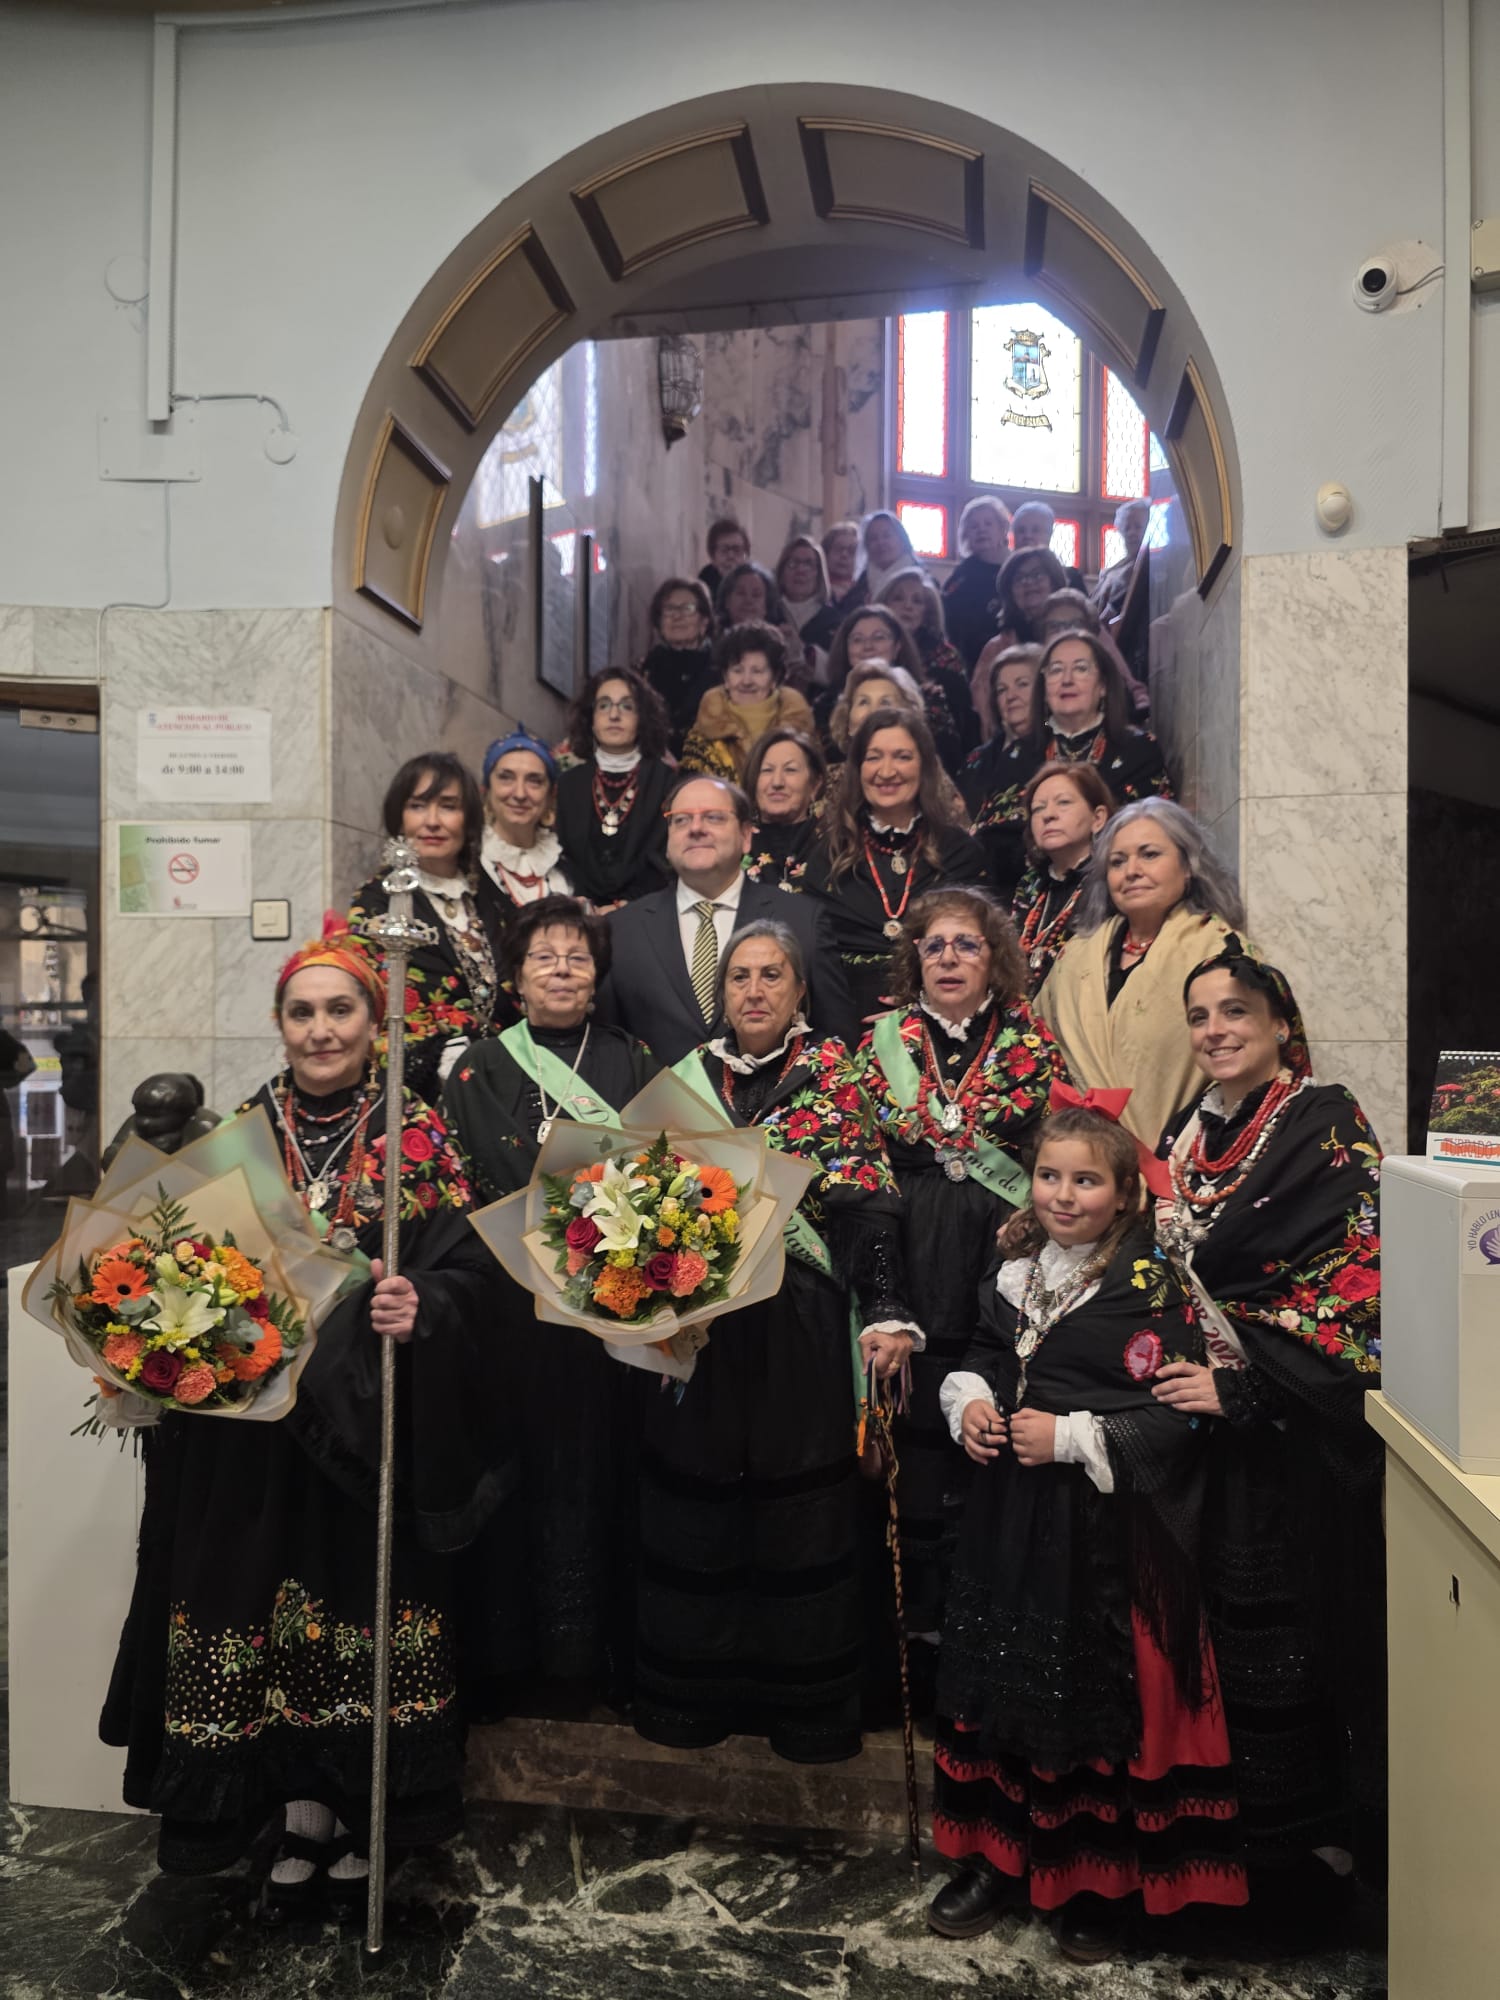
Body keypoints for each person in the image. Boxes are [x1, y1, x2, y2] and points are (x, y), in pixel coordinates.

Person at [101, 925, 507, 1915]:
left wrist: (425, 1307)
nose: (321, 1029)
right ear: (279, 1025)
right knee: (258, 1604)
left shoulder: (418, 1132)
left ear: (376, 1023)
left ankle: (352, 1804)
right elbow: (165, 1258)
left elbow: (470, 1273)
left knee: (348, 1609)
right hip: (251, 1435)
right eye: (302, 1011)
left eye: (341, 1009)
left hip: (366, 1433)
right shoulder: (234, 1133)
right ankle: (289, 1807)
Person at [927, 1097, 1246, 1960]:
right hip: (1010, 1525)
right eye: (1049, 1177)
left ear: (1124, 1195)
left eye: (1086, 1180)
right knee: (1004, 1682)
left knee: (1087, 1700)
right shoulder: (1016, 1270)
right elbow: (986, 1359)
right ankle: (996, 1858)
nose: (1063, 1196)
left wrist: (1070, 1438)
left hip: (1103, 1537)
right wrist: (975, 1405)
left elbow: (1179, 1418)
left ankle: (1094, 1882)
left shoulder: (1152, 1285)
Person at [633, 919, 918, 1762]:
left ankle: (807, 1713)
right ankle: (696, 1701)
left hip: (799, 1324)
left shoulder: (834, 1075)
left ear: (799, 991)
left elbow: (869, 1209)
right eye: (740, 979)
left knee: (802, 1508)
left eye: (771, 977)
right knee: (699, 1497)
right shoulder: (688, 1082)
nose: (754, 991)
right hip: (704, 1330)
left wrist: (889, 1309)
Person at [1155, 944, 1386, 1894]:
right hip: (1195, 1438)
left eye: (1236, 1013)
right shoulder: (1186, 1128)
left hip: (1293, 1440)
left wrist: (1247, 1387)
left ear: (1281, 1024)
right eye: (1201, 1015)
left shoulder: (1326, 1125)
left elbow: (1361, 1286)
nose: (1216, 1030)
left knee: (1289, 1650)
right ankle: (1223, 1858)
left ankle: (1303, 1866)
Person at [442, 897, 659, 1698]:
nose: (562, 969)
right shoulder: (478, 1066)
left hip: (609, 1313)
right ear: (515, 979)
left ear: (597, 976)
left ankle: (594, 1662)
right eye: (544, 957)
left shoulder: (630, 1058)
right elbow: (460, 1182)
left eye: (576, 957)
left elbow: (661, 1168)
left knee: (599, 1475)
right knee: (515, 1471)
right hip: (508, 1310)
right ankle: (508, 1661)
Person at [855, 890, 1067, 1703]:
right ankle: (911, 1653)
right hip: (905, 1256)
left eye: (966, 946)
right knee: (908, 1474)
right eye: (934, 946)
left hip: (1000, 1254)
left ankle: (980, 1657)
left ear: (995, 959)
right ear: (915, 960)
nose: (948, 957)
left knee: (981, 1464)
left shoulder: (1030, 1041)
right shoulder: (880, 1042)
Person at [600, 774, 855, 1062]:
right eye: (681, 819)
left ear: (746, 836)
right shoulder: (622, 929)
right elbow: (607, 1048)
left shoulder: (802, 920)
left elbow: (835, 1038)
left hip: (774, 1103)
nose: (696, 828)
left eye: (713, 817)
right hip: (658, 1105)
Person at [1036, 800, 1244, 1145]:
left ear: (1187, 865)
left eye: (1149, 855)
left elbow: (1249, 1064)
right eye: (1118, 862)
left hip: (1185, 1155)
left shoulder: (1221, 949)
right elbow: (1037, 1044)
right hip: (1081, 1163)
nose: (1132, 870)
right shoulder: (1074, 956)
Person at [803, 709, 989, 1023]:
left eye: (902, 757)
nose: (886, 771)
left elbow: (978, 953)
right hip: (846, 1027)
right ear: (858, 769)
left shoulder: (960, 851)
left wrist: (919, 1013)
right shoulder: (827, 856)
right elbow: (815, 962)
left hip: (942, 1023)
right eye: (874, 757)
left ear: (926, 767)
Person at [964, 629, 1170, 898]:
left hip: (1118, 891)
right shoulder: (1018, 754)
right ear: (1044, 687)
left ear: (1104, 684)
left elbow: (1156, 832)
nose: (1067, 680)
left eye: (1081, 669)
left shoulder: (1137, 749)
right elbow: (993, 840)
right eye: (1056, 670)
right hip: (1029, 895)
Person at [349, 752, 504, 1103]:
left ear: (468, 820)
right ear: (399, 819)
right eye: (418, 806)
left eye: (448, 806)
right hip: (416, 1091)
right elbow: (373, 1002)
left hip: (500, 1079)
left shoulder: (490, 898)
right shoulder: (376, 901)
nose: (432, 821)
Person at [554, 666, 673, 909]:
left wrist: (624, 906)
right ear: (591, 719)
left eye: (627, 706)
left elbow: (665, 860)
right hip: (580, 914)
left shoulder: (667, 783)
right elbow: (563, 856)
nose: (614, 715)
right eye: (604, 705)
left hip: (647, 912)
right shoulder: (568, 784)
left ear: (643, 718)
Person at [1010, 764, 1116, 993]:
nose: (1048, 815)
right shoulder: (1029, 886)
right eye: (1038, 809)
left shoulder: (1113, 879)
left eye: (1063, 802)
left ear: (1098, 818)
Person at [679, 621, 817, 784]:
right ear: (725, 677)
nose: (746, 681)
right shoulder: (702, 736)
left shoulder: (801, 731)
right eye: (737, 671)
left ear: (775, 678)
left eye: (757, 671)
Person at [875, 568, 979, 773]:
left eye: (917, 601)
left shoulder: (946, 656)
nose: (907, 606)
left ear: (927, 612)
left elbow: (961, 717)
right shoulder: (871, 649)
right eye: (898, 598)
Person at [477, 729, 573, 919]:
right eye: (506, 777)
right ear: (487, 789)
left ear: (550, 796)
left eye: (534, 781)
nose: (520, 794)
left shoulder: (566, 866)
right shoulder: (468, 859)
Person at [743, 725, 827, 892]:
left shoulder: (837, 846)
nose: (777, 782)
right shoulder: (736, 844)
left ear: (815, 785)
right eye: (767, 770)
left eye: (790, 770)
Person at [638, 577, 716, 755]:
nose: (677, 616)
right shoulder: (645, 671)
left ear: (704, 621)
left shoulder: (722, 668)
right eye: (669, 609)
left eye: (687, 608)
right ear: (659, 621)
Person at [941, 496, 1012, 670]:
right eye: (974, 526)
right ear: (966, 535)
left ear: (1002, 528)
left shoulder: (1015, 568)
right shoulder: (962, 574)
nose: (981, 530)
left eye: (988, 524)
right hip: (968, 658)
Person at [774, 534, 842, 664]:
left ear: (819, 573)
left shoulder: (834, 621)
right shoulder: (769, 614)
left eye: (809, 564)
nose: (801, 570)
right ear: (782, 571)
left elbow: (837, 671)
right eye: (793, 563)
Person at [992, 545, 1069, 650]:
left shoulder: (1078, 627)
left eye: (1037, 575)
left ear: (1054, 583)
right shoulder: (998, 646)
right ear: (1010, 592)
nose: (1028, 582)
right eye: (1019, 578)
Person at [968, 640, 1040, 748]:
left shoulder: (1065, 749)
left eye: (1022, 684)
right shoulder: (981, 760)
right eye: (1002, 690)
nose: (1010, 696)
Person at [1094, 498, 1152, 623]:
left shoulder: (1153, 566)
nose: (1132, 533)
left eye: (1137, 526)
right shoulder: (1113, 570)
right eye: (1127, 528)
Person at [1009, 499, 1086, 592]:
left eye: (1036, 530)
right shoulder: (1005, 575)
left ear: (1049, 534)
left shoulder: (1071, 577)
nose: (1028, 536)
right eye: (1021, 530)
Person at [858, 507, 920, 603]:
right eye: (873, 538)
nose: (880, 542)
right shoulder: (862, 582)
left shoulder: (921, 579)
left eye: (887, 536)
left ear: (902, 540)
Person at [697, 515, 749, 597]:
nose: (731, 556)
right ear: (712, 556)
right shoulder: (705, 581)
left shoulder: (756, 582)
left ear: (746, 555)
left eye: (737, 550)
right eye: (724, 550)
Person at [822, 518, 865, 614]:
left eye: (851, 550)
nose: (844, 555)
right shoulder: (814, 589)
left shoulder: (865, 593)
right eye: (838, 549)